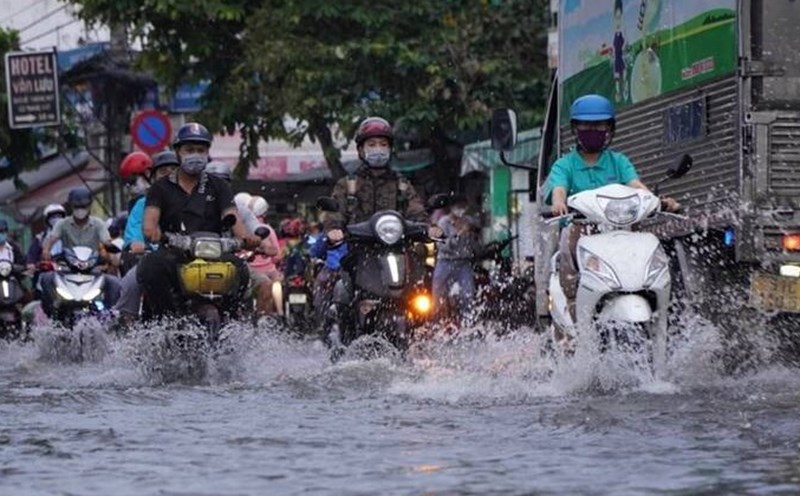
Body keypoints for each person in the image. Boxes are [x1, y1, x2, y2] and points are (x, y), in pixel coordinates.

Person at [544, 94, 679, 317]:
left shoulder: (619, 161)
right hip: (583, 233)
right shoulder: (565, 164)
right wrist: (559, 204)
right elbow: (559, 189)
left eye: (599, 125)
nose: (593, 129)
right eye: (586, 124)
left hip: (621, 232)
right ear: (575, 128)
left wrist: (659, 203)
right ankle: (574, 320)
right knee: (571, 254)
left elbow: (637, 188)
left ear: (610, 128)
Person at [138, 122, 263, 319]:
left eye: (200, 150)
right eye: (189, 150)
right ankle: (167, 322)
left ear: (207, 153)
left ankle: (232, 325)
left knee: (240, 270)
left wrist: (248, 238)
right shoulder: (160, 188)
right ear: (178, 152)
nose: (195, 154)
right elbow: (150, 221)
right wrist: (152, 231)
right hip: (174, 252)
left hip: (214, 253)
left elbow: (233, 218)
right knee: (150, 267)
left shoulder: (219, 186)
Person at [113, 151, 181, 323]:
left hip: (189, 257)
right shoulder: (143, 203)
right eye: (163, 171)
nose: (169, 176)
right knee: (130, 282)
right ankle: (130, 330)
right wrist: (136, 242)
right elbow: (135, 229)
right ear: (153, 176)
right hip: (155, 258)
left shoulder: (194, 198)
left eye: (173, 170)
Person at [39, 188, 122, 316]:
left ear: (89, 206)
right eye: (77, 206)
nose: (80, 210)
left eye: (83, 206)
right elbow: (52, 239)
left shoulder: (98, 224)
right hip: (67, 268)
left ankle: (110, 315)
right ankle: (53, 315)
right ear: (71, 207)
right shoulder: (62, 224)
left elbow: (106, 241)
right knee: (46, 278)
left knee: (114, 283)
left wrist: (111, 251)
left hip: (93, 268)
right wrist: (46, 250)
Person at [432, 194, 480, 321]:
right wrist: (458, 234)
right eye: (458, 207)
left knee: (467, 294)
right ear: (452, 208)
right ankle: (436, 321)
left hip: (463, 262)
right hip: (445, 261)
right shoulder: (443, 223)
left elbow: (475, 240)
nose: (461, 210)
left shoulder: (468, 221)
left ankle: (468, 320)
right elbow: (443, 246)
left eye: (463, 207)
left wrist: (472, 232)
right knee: (437, 293)